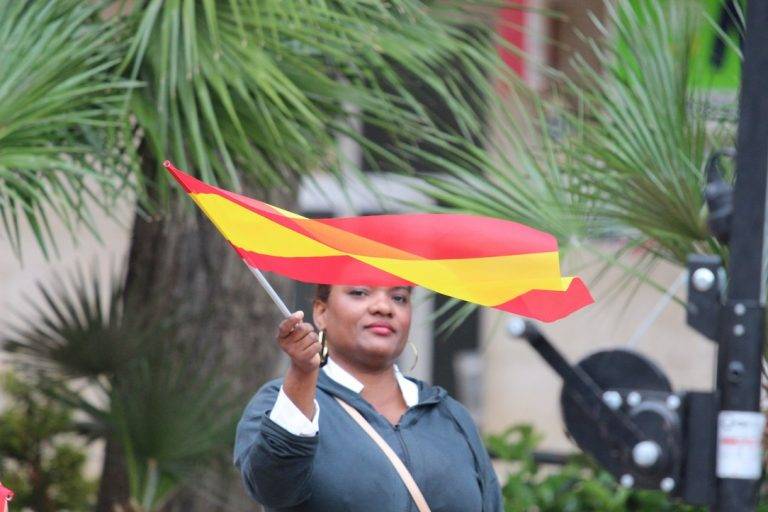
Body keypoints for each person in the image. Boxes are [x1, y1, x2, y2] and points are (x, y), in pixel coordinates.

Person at [234, 284, 502, 511]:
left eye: (398, 298)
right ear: (321, 312)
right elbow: (272, 489)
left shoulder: (450, 415)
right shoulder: (280, 402)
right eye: (360, 293)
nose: (383, 307)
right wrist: (303, 374)